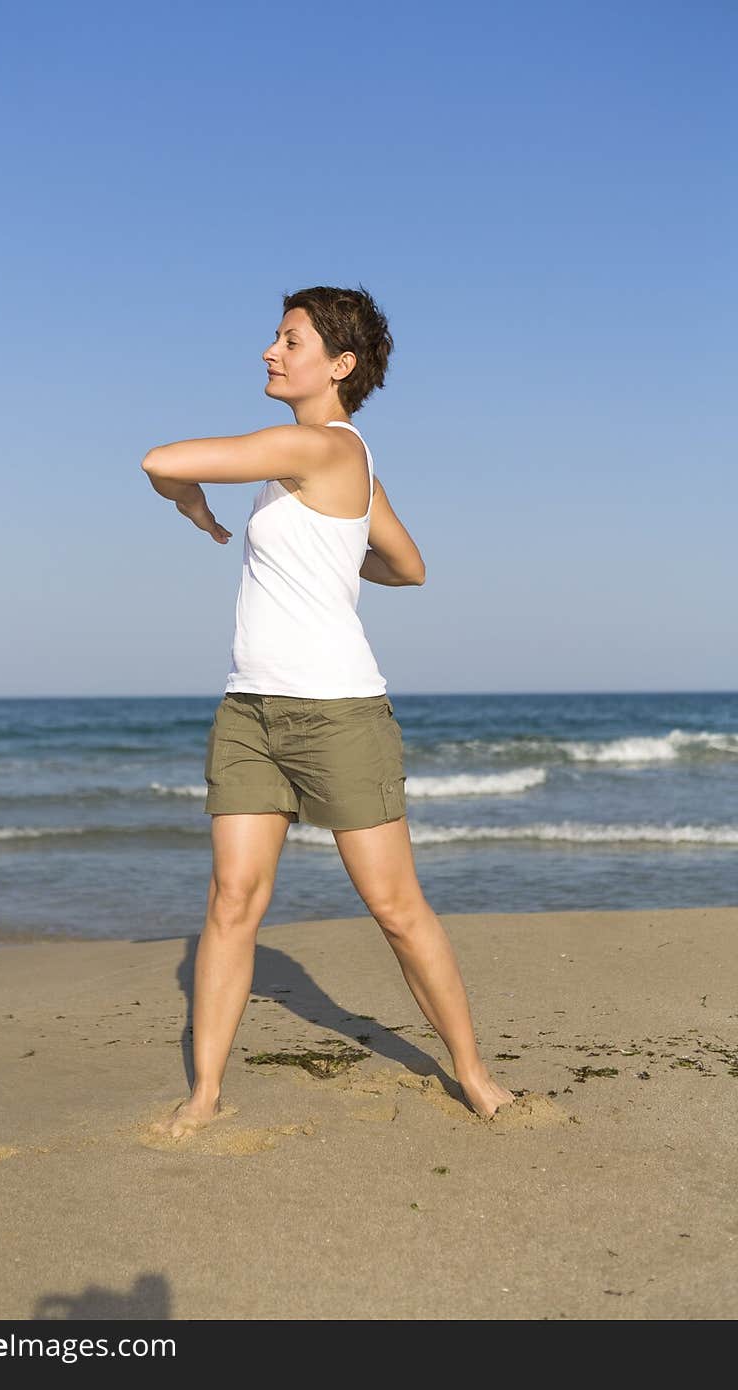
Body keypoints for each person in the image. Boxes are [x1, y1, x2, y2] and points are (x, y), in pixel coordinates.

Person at [141, 284, 515, 1137]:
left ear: (339, 364)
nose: (271, 352)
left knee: (395, 906)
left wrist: (192, 503)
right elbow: (408, 566)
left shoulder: (317, 448)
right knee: (232, 900)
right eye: (273, 338)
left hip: (339, 714)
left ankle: (473, 1073)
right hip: (250, 710)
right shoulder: (330, 466)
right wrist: (344, 560)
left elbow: (160, 459)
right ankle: (205, 1093)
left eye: (290, 340)